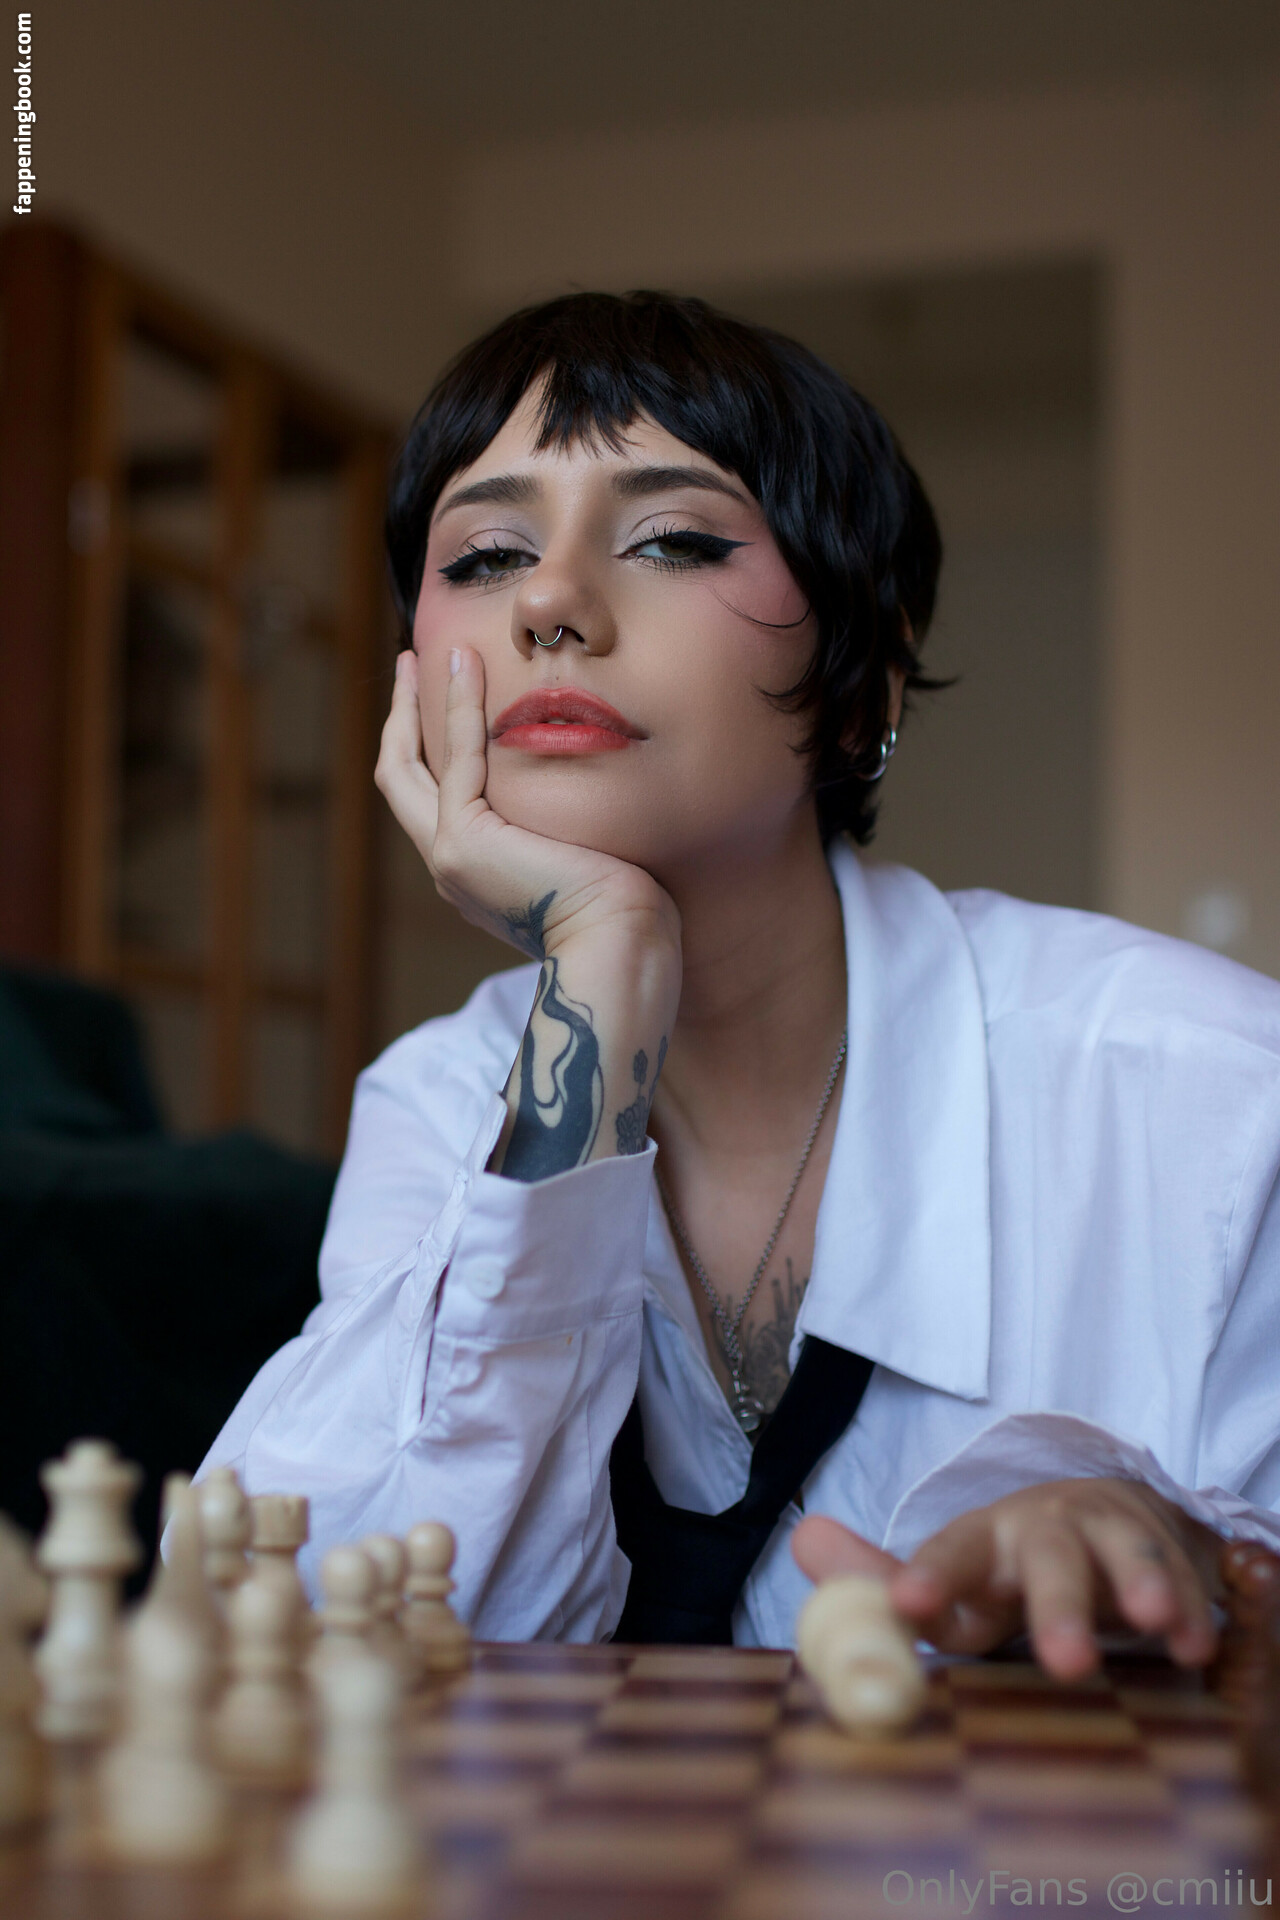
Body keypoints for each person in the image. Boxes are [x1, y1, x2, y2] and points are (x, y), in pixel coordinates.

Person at [198, 291, 1280, 1674]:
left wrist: (1205, 1567)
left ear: (862, 682)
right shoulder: (440, 1098)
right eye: (486, 555)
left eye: (674, 538)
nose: (549, 602)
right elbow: (317, 1651)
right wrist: (601, 965)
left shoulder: (1216, 1102)